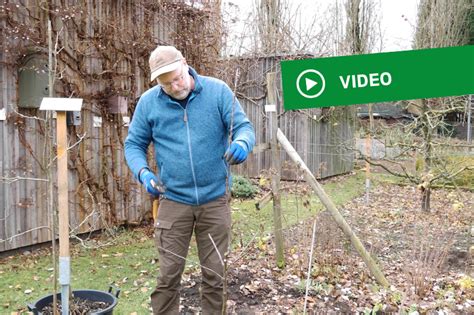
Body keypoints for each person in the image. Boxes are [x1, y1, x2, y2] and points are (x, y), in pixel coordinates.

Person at [124, 45, 255, 314]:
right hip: (173, 200)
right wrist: (143, 173)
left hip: (215, 199)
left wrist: (242, 142)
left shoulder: (217, 91)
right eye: (166, 84)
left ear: (185, 63)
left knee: (215, 274)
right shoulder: (149, 102)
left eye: (178, 78)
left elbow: (243, 127)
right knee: (168, 276)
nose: (175, 86)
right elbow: (133, 144)